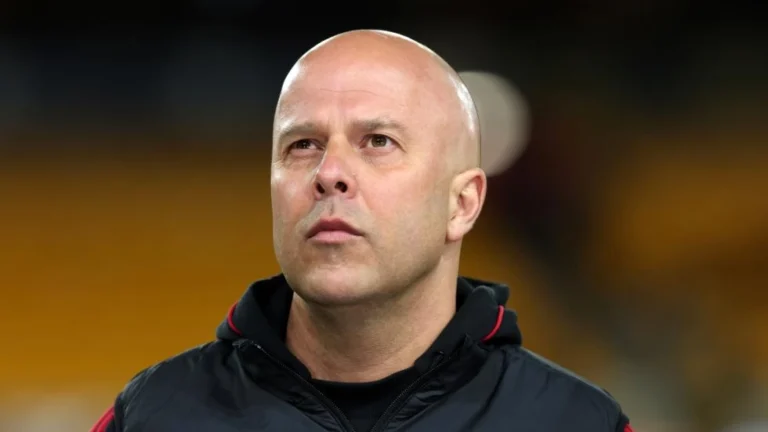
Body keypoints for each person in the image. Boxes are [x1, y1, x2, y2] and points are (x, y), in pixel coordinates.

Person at [91, 30, 633, 432]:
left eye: (377, 142)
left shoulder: (576, 422)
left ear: (462, 204)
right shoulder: (152, 417)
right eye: (303, 144)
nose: (329, 172)